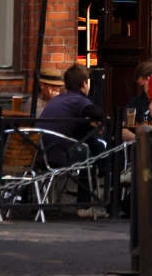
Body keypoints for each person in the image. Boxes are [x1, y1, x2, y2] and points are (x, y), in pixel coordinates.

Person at [38, 62, 109, 218]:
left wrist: (87, 122)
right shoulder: (78, 100)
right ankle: (85, 205)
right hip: (58, 153)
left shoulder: (58, 100)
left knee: (87, 140)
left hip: (39, 152)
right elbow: (94, 111)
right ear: (85, 83)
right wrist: (103, 119)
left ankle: (104, 167)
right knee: (89, 153)